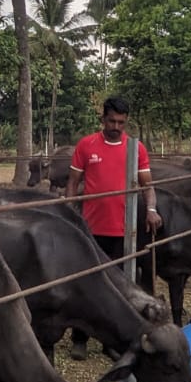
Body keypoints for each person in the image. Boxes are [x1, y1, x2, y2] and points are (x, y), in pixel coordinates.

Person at [64, 96, 162, 359]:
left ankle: (111, 341)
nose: (116, 126)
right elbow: (73, 182)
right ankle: (80, 338)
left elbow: (147, 186)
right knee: (86, 283)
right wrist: (71, 212)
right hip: (91, 229)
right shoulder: (87, 145)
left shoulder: (135, 148)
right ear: (103, 119)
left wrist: (151, 210)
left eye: (121, 122)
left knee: (117, 288)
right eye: (111, 121)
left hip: (124, 231)